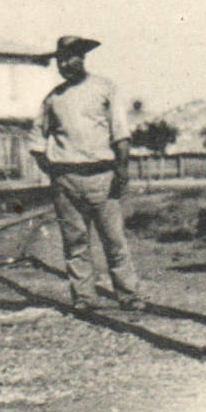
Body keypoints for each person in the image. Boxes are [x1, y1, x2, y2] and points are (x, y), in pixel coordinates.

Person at [28, 36, 145, 311]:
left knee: (114, 241)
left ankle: (129, 295)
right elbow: (36, 140)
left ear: (82, 58)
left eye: (70, 58)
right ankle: (83, 298)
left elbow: (120, 133)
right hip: (65, 180)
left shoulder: (105, 89)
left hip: (102, 176)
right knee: (75, 243)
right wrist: (53, 171)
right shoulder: (53, 98)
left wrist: (121, 170)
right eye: (60, 60)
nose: (65, 65)